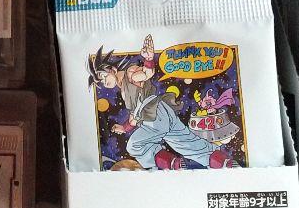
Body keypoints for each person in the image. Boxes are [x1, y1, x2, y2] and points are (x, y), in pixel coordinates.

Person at [89, 38, 233, 169]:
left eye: (103, 76)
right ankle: (221, 161)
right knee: (186, 142)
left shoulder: (129, 73)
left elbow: (146, 74)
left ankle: (170, 163)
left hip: (154, 117)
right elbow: (134, 115)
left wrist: (148, 59)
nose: (104, 82)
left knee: (134, 145)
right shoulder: (123, 89)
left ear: (112, 69)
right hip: (162, 112)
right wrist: (124, 127)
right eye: (100, 82)